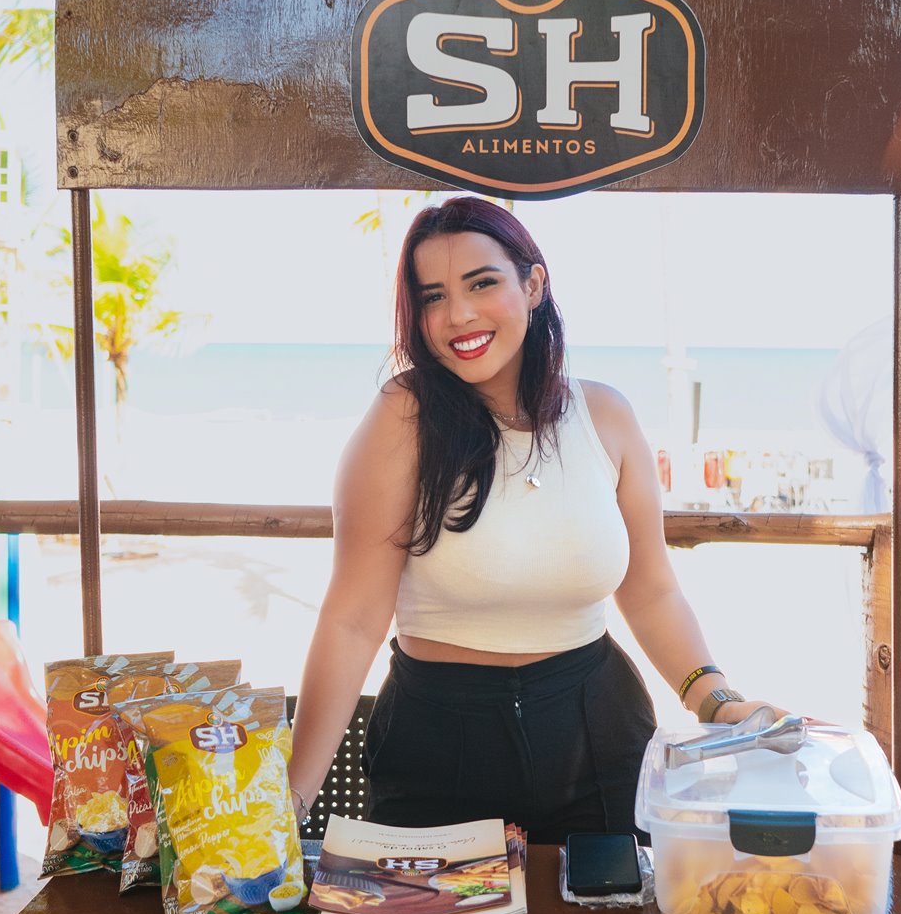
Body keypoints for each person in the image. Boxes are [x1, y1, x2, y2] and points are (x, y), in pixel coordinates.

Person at [288, 195, 781, 844]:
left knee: (613, 913)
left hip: (599, 729)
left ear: (533, 284)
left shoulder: (605, 415)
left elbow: (652, 591)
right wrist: (291, 798)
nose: (458, 315)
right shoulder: (403, 417)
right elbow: (352, 619)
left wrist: (716, 700)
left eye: (481, 283)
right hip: (439, 739)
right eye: (433, 297)